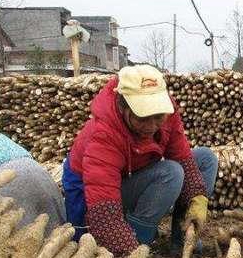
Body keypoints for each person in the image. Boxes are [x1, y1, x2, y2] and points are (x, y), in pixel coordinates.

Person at [62, 65, 218, 257]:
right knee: (170, 173)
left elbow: (182, 156)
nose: (152, 126)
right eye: (143, 118)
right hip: (88, 189)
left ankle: (183, 241)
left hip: (133, 170)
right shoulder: (104, 134)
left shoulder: (166, 112)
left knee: (205, 158)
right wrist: (131, 250)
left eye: (158, 118)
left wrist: (197, 197)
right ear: (123, 106)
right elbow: (104, 214)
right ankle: (139, 240)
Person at [0, 119, 66, 235]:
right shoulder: (3, 139)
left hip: (11, 182)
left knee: (17, 243)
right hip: (39, 174)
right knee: (56, 233)